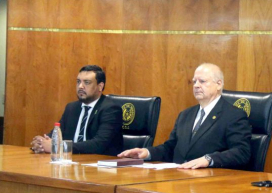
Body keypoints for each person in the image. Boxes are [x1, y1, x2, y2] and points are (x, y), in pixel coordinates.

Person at [118, 63, 252, 169]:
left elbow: (242, 152)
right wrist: (147, 153)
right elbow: (171, 148)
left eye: (202, 81)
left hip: (211, 182)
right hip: (179, 177)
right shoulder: (186, 115)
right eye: (194, 82)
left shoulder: (233, 115)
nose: (196, 86)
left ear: (219, 84)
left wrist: (208, 160)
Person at [30, 65, 123, 156]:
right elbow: (57, 133)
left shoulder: (111, 109)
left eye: (87, 82)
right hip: (71, 162)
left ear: (100, 86)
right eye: (78, 82)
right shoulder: (72, 108)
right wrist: (42, 142)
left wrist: (58, 147)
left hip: (100, 165)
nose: (80, 86)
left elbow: (99, 144)